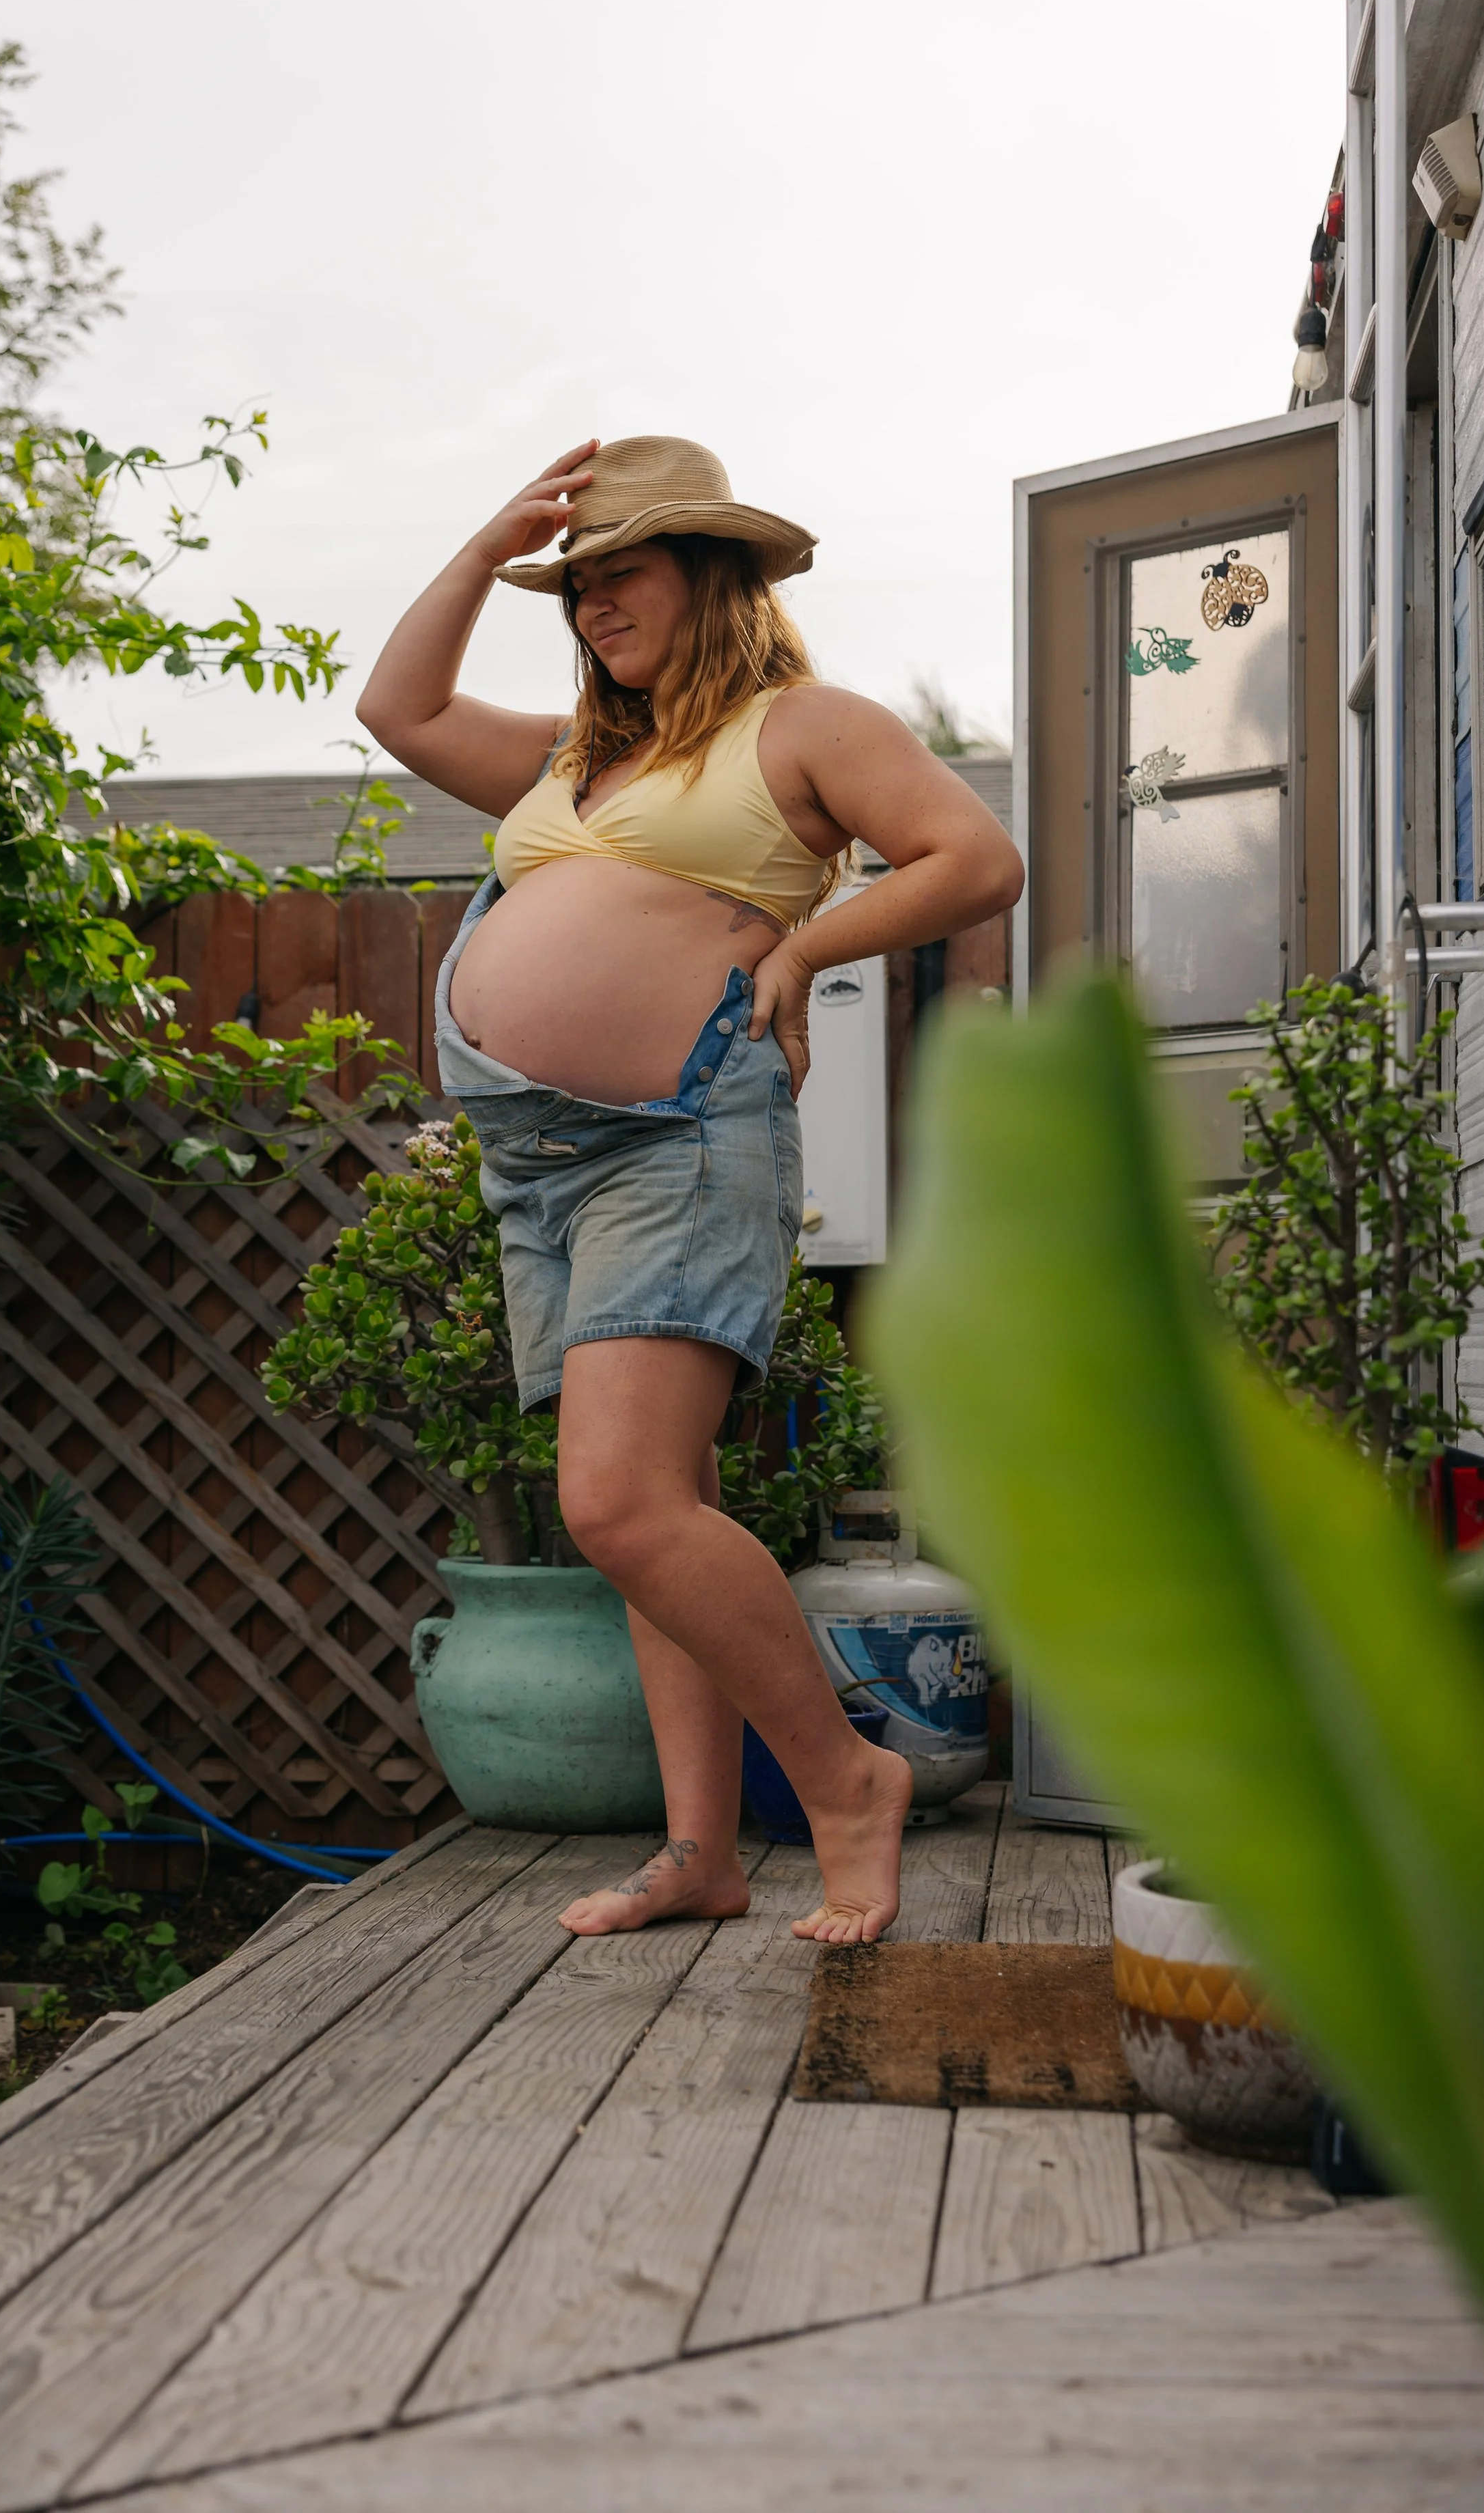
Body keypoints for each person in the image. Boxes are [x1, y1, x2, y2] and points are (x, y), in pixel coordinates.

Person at [360, 435, 1022, 1944]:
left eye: (621, 572)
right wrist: (486, 545)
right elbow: (394, 708)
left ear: (710, 573)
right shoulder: (568, 756)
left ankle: (847, 1782)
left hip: (678, 1137)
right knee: (673, 1497)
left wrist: (799, 947)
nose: (591, 605)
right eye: (573, 585)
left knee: (619, 1501)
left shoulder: (803, 728)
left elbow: (975, 858)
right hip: (539, 1167)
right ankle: (699, 1852)